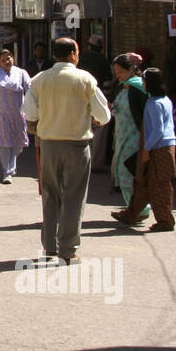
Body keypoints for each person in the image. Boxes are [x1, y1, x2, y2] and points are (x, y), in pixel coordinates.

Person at [22, 37, 112, 264]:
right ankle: (68, 248)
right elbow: (104, 116)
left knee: (50, 195)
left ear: (55, 55)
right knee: (74, 196)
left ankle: (50, 246)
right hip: (77, 145)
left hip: (49, 144)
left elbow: (29, 113)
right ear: (73, 53)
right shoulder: (85, 79)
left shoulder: (40, 79)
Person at [113, 68, 176, 232]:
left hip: (159, 148)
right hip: (157, 146)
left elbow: (158, 130)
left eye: (144, 81)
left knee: (159, 187)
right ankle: (131, 213)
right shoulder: (162, 100)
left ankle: (165, 221)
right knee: (142, 182)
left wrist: (147, 150)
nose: (142, 84)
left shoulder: (156, 103)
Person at [110, 53, 151, 222]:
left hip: (135, 138)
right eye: (116, 72)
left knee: (129, 173)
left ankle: (139, 209)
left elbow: (145, 115)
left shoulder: (138, 88)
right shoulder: (122, 86)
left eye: (121, 72)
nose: (118, 75)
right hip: (121, 137)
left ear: (131, 70)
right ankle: (134, 208)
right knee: (122, 171)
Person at [0, 48, 31, 183]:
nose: (6, 61)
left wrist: (35, 110)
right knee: (4, 142)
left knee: (19, 142)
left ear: (13, 59)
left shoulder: (21, 73)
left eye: (9, 58)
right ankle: (7, 171)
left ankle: (12, 164)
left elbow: (30, 91)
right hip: (0, 112)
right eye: (3, 60)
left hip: (19, 112)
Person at [78, 34, 114, 172]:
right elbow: (107, 83)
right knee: (99, 131)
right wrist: (107, 99)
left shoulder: (82, 59)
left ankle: (83, 160)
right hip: (97, 98)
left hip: (81, 99)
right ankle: (96, 161)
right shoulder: (104, 61)